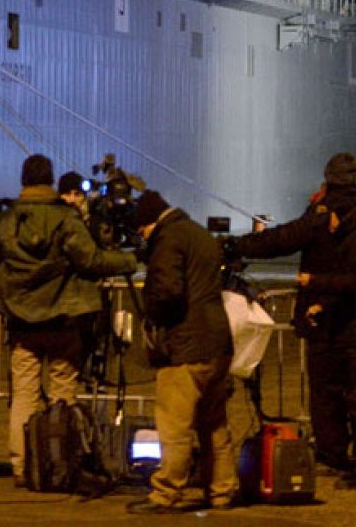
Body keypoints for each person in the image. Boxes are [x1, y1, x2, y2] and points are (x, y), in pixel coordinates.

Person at [225, 152, 356, 489]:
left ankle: (341, 460)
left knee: (326, 396)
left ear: (329, 182)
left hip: (331, 323)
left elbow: (282, 239)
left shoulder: (326, 214)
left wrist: (238, 246)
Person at [0, 155, 138, 487]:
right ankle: (60, 462)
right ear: (51, 180)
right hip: (64, 319)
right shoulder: (67, 219)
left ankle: (22, 466)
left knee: (24, 394)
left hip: (22, 321)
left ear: (23, 179)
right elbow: (90, 260)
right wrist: (128, 261)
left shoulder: (7, 221)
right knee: (63, 392)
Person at [127, 191, 238, 514]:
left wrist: (151, 313)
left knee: (174, 424)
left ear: (150, 223)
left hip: (186, 345)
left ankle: (167, 492)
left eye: (143, 230)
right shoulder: (199, 234)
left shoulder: (168, 239)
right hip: (217, 342)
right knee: (214, 423)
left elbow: (167, 291)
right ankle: (222, 490)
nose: (143, 236)